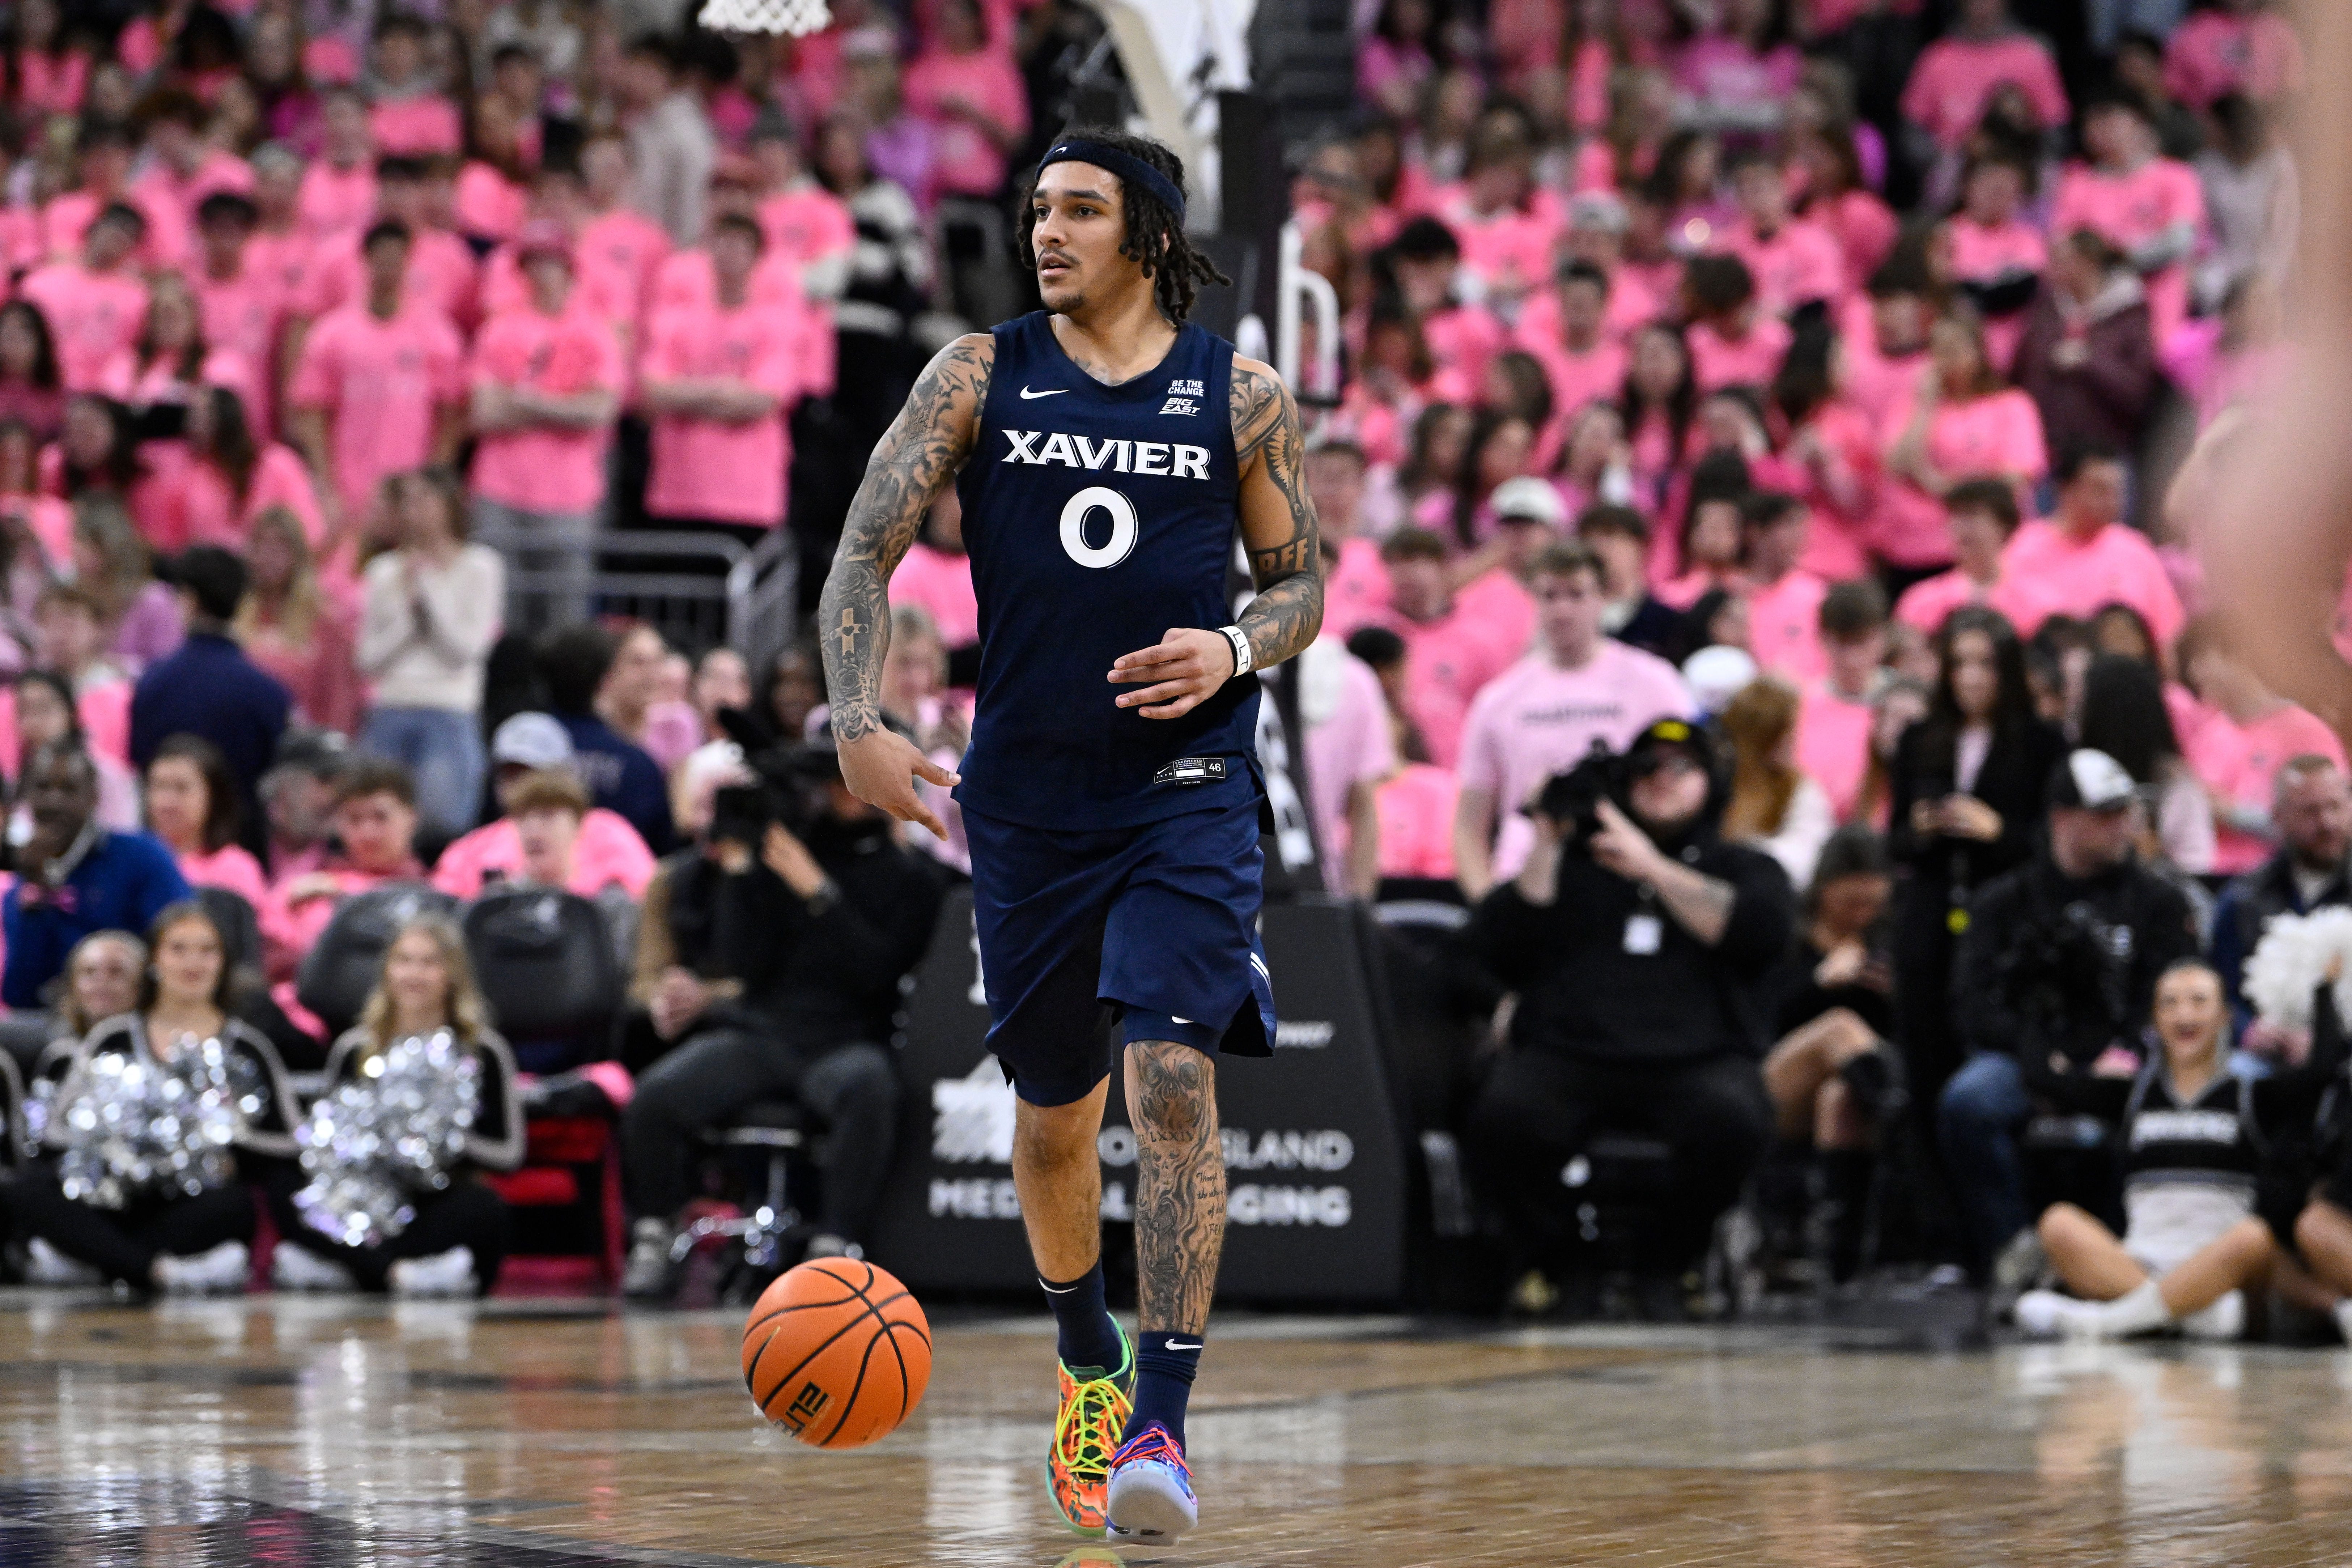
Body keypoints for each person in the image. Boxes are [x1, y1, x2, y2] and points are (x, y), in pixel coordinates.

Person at [814, 129, 1323, 1544]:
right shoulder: (977, 373)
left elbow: (1299, 590)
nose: (1047, 233)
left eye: (1080, 211)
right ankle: (1087, 1358)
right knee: (1054, 1116)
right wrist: (853, 713)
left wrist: (1230, 648)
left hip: (1185, 793)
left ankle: (1159, 1415)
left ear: (1146, 235)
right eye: (1039, 210)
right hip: (1026, 805)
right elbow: (865, 543)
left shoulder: (1240, 394)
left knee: (1169, 1076)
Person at [1464, 718, 1793, 1318]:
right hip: (1573, 1051)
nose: (1660, 781)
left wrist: (1650, 866)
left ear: (1711, 783)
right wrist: (1548, 838)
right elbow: (1501, 945)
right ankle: (1560, 1259)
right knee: (1504, 1114)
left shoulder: (1741, 866)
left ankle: (1672, 1258)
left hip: (1695, 1057)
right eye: (1646, 768)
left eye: (1680, 769)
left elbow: (1755, 933)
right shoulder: (1577, 864)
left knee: (1736, 1120)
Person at [620, 725, 944, 1289]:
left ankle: (835, 1240)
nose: (833, 792)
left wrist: (818, 893)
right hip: (764, 1034)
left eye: (846, 779)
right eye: (829, 780)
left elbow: (876, 974)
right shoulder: (784, 848)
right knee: (656, 1096)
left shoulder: (914, 878)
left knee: (870, 1089)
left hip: (848, 1038)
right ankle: (654, 1230)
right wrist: (743, 871)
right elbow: (742, 962)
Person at [1940, 749, 2202, 1280]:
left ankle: (2123, 1256)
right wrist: (2040, 1056)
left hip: (2124, 1054)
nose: (2122, 825)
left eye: (2125, 811)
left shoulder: (2158, 902)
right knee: (1968, 1102)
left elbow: (2169, 992)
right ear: (2062, 818)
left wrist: (2127, 1047)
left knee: (2159, 1098)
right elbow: (1971, 1003)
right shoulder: (2003, 902)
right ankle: (2014, 1251)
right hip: (2026, 1054)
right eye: (2105, 813)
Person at [10, 901, 297, 1293]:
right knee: (31, 1190)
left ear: (224, 963)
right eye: (178, 949)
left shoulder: (248, 1047)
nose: (192, 963)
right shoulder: (113, 1036)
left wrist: (228, 1142)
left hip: (189, 1201)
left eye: (207, 950)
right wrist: (114, 1142)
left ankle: (102, 1263)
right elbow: (56, 1132)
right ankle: (154, 1272)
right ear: (155, 960)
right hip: (111, 1195)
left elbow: (290, 1142)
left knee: (235, 1207)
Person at [266, 915, 523, 1297]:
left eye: (429, 962)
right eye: (403, 961)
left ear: (453, 974)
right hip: (362, 1203)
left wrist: (440, 1138)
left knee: (484, 1208)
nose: (414, 974)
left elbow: (510, 1155)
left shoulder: (483, 1050)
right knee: (285, 1188)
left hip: (434, 1197)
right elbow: (323, 1146)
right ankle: (399, 1274)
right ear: (386, 970)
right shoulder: (355, 1047)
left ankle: (352, 1272)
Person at [1886, 608, 2067, 1108]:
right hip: (1929, 911)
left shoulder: (2041, 742)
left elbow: (2053, 844)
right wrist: (1922, 826)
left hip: (2008, 915)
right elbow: (1894, 839)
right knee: (1923, 1057)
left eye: (1984, 663)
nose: (1969, 676)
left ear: (2005, 670)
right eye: (1959, 662)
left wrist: (1996, 829)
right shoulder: (1918, 738)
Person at [1452, 541, 1693, 899]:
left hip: (1624, 872)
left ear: (1603, 598)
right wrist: (1486, 902)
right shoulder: (1499, 699)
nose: (1562, 610)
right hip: (1526, 875)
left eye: (1577, 595)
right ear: (1533, 600)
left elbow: (1688, 782)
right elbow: (1469, 822)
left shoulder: (1654, 683)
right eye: (1550, 596)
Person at [1759, 827, 1905, 1283]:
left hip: (1844, 1088)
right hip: (1777, 1078)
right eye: (1849, 904)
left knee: (1840, 1099)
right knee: (1838, 1029)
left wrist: (1895, 995)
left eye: (1873, 905)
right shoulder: (1788, 937)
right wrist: (1818, 983)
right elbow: (1759, 1018)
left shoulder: (1886, 944)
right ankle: (1899, 1120)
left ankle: (1839, 1257)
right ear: (1824, 891)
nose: (1861, 916)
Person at [466, 223, 621, 631]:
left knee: (565, 612)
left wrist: (532, 403)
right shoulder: (500, 329)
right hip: (501, 488)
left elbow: (601, 410)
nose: (540, 272)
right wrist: (567, 407)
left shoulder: (593, 332)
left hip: (568, 494)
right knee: (499, 612)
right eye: (532, 263)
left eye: (549, 262)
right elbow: (483, 412)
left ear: (568, 269)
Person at [285, 219, 466, 534]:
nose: (389, 269)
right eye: (382, 259)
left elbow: (451, 413)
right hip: (350, 491)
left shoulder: (437, 335)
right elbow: (310, 413)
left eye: (397, 259)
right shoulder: (331, 335)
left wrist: (433, 483)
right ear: (366, 260)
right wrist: (327, 486)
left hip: (412, 491)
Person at [355, 468, 504, 838]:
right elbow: (368, 659)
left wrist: (427, 588)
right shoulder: (383, 570)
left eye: (423, 498)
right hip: (390, 705)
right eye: (407, 500)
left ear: (448, 503)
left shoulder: (481, 566)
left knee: (443, 824)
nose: (413, 509)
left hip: (449, 708)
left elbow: (465, 650)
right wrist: (410, 614)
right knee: (375, 827)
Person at [0, 740, 188, 1011]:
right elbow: (20, 995)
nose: (54, 801)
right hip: (56, 1026)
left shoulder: (143, 856)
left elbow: (179, 942)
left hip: (140, 1012)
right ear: (26, 795)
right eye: (43, 788)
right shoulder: (25, 880)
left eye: (69, 789)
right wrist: (37, 892)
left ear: (93, 798)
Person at [127, 545, 290, 841]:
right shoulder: (269, 692)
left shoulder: (154, 682)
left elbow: (140, 762)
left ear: (189, 599)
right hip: (243, 842)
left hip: (168, 844)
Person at [433, 713, 657, 902]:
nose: (522, 788)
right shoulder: (472, 849)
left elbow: (647, 900)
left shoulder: (610, 833)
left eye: (531, 774)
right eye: (509, 775)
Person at [2005, 448, 2186, 665]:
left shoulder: (2136, 551)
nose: (2113, 501)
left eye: (2118, 491)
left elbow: (2168, 636)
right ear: (2065, 490)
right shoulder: (2021, 550)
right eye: (2101, 490)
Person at [2209, 756, 2352, 1025]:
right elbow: (2220, 991)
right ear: (2278, 817)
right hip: (2265, 1055)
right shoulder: (2243, 899)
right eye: (2311, 811)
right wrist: (2249, 1032)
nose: (2328, 822)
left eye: (2335, 806)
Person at [259, 759, 427, 982]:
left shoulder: (437, 890)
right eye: (354, 820)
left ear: (412, 819)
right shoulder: (303, 889)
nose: (368, 832)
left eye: (381, 817)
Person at [536, 623, 676, 856]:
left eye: (659, 661)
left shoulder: (523, 757)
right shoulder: (639, 766)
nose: (651, 674)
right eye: (638, 662)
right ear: (608, 677)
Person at [233, 505, 361, 735]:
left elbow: (340, 701)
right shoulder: (234, 618)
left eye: (280, 547)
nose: (268, 556)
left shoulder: (325, 625)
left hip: (304, 745)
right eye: (260, 545)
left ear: (298, 555)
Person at [1720, 676, 1837, 890]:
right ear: (1760, 735)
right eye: (1787, 729)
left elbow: (1806, 856)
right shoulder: (1718, 782)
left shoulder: (1801, 789)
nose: (1794, 738)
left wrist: (1742, 858)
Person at [144, 733, 268, 909]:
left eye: (181, 788)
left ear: (213, 796)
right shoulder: (134, 861)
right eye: (159, 786)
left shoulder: (236, 868)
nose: (167, 801)